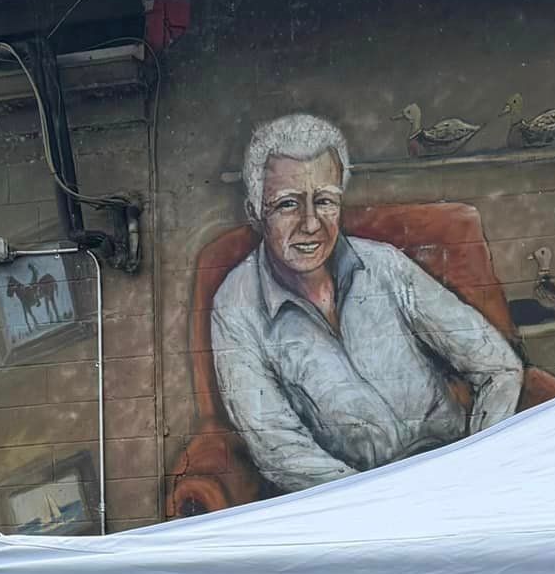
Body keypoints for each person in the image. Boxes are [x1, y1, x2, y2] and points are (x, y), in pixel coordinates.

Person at [211, 112, 524, 492]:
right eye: (288, 204)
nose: (311, 224)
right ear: (255, 213)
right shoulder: (235, 307)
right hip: (356, 502)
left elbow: (498, 365)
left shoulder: (385, 265)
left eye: (324, 201)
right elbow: (280, 452)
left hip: (453, 471)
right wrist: (379, 504)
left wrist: (474, 465)